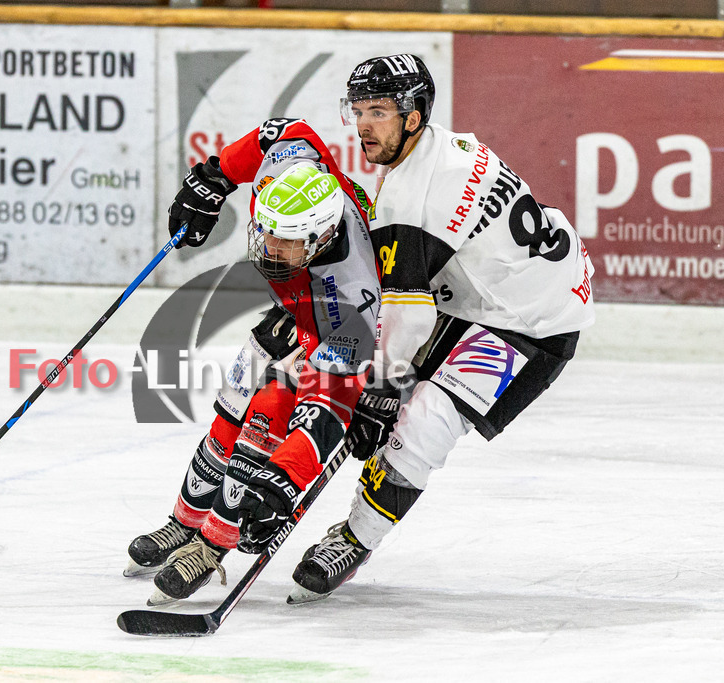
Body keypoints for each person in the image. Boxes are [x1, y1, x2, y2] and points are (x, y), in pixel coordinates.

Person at [275, 54, 597, 603]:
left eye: (379, 110)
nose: (364, 125)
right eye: (358, 111)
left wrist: (380, 391)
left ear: (415, 116)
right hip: (488, 295)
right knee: (381, 386)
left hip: (533, 322)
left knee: (421, 423)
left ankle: (355, 537)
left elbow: (411, 316)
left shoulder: (415, 194)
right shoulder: (443, 149)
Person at [124, 119, 385, 605]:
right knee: (232, 405)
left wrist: (284, 484)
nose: (270, 247)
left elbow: (326, 413)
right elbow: (286, 130)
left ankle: (211, 545)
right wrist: (216, 177)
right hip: (297, 310)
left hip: (337, 333)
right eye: (266, 232)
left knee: (267, 414)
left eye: (287, 242)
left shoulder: (354, 294)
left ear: (322, 239)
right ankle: (182, 524)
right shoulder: (288, 168)